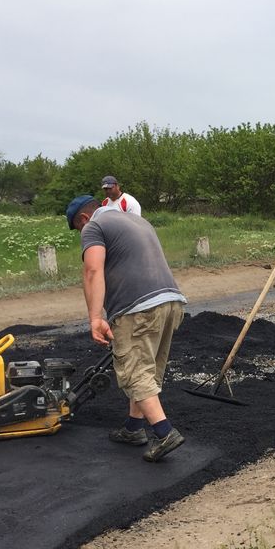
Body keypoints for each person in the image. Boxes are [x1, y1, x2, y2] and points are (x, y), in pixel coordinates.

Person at [65, 195, 186, 462]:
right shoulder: (136, 220)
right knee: (148, 367)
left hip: (138, 308)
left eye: (77, 229)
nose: (80, 235)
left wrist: (95, 317)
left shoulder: (95, 227)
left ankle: (165, 433)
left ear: (83, 219)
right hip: (170, 301)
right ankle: (133, 429)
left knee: (133, 371)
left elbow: (92, 271)